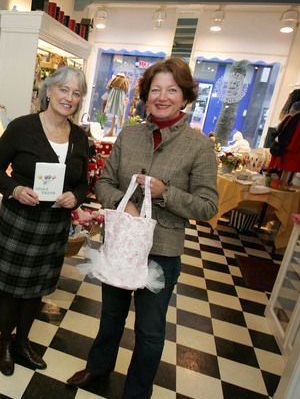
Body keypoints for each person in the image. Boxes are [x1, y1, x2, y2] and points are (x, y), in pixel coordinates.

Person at [67, 57, 218, 398]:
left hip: (161, 253)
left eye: (172, 90)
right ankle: (98, 367)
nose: (162, 97)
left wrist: (166, 195)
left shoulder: (199, 146)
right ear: (146, 95)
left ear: (185, 96)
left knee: (149, 331)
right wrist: (127, 201)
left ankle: (137, 392)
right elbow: (103, 181)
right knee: (110, 317)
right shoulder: (130, 134)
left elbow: (208, 206)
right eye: (155, 90)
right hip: (120, 245)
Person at [0, 65, 90, 376]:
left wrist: (76, 197)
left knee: (35, 289)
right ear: (48, 91)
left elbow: (82, 181)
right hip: (19, 221)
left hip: (53, 226)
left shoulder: (80, 138)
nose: (69, 98)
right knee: (9, 288)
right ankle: (5, 341)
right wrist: (14, 189)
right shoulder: (22, 127)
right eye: (64, 90)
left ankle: (23, 341)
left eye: (76, 93)